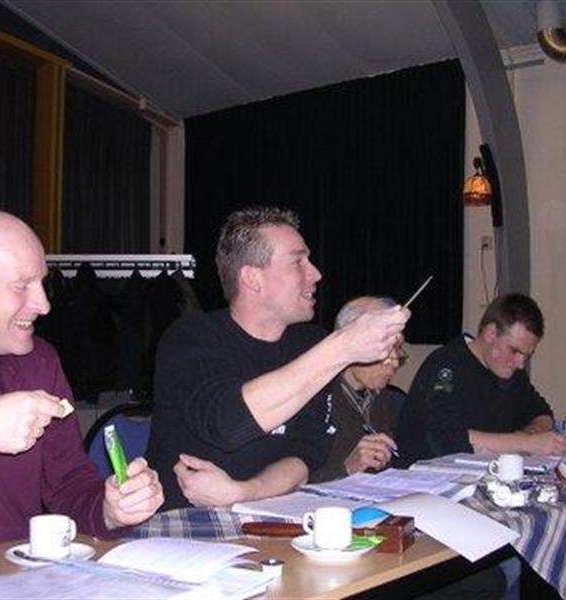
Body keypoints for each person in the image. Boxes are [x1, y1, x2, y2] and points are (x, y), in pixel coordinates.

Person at [0, 207, 164, 559]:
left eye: (42, 284)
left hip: (19, 578)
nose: (44, 305)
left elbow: (69, 486)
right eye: (22, 286)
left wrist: (112, 510)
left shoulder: (39, 363)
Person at [146, 206, 410, 510]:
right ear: (253, 278)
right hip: (187, 520)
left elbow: (305, 454)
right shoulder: (191, 338)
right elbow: (228, 423)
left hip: (271, 513)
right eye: (298, 261)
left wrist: (243, 493)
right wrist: (342, 346)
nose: (316, 274)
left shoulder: (309, 343)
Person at [396, 293, 566, 462]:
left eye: (527, 355)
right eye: (514, 351)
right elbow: (448, 439)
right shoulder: (446, 366)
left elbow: (542, 413)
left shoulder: (510, 370)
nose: (520, 364)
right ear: (491, 333)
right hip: (426, 472)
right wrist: (526, 443)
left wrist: (529, 435)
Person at [309, 296, 406, 483]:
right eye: (385, 346)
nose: (394, 361)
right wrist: (347, 469)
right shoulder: (313, 396)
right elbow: (290, 485)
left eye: (398, 347)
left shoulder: (380, 397)